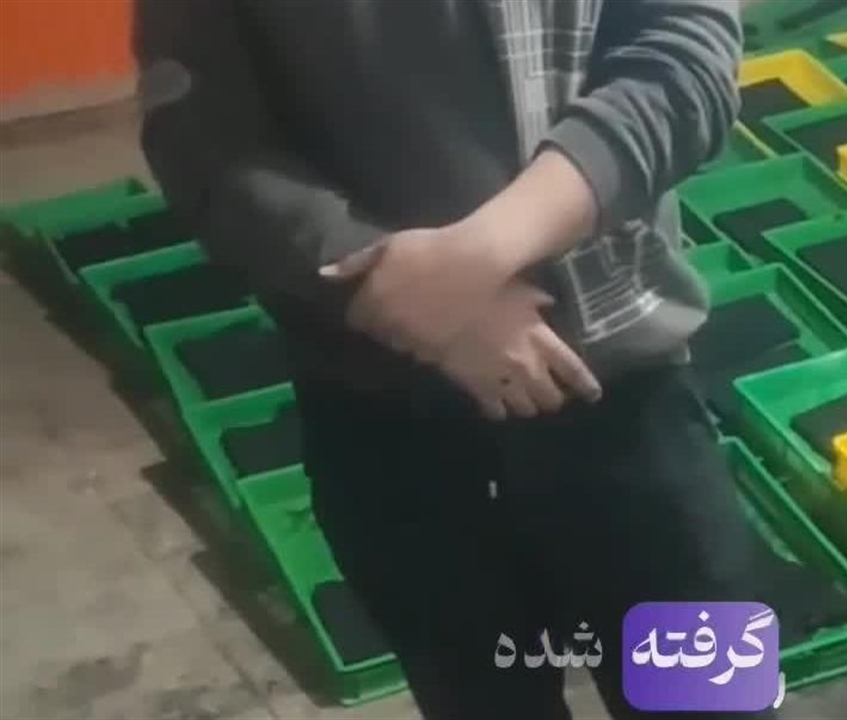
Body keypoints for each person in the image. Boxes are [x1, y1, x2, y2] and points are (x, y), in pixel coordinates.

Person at [134, 0, 776, 717]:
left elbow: (683, 60)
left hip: (626, 400)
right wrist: (394, 284)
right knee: (477, 699)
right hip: (387, 428)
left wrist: (475, 260)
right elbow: (203, 140)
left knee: (711, 703)